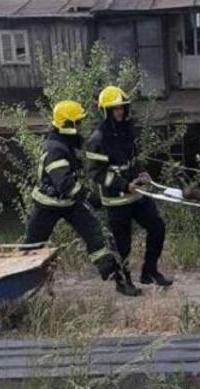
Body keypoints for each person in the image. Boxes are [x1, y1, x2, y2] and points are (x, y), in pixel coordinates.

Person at [24, 100, 141, 296]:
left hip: (70, 203)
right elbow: (65, 184)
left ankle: (118, 279)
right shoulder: (55, 149)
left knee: (96, 236)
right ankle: (22, 286)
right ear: (68, 124)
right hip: (48, 205)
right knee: (32, 246)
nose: (80, 126)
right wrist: (90, 197)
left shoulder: (65, 142)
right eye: (77, 122)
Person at [86, 86, 172, 288]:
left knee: (157, 227)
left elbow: (132, 159)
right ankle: (123, 282)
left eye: (122, 107)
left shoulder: (127, 130)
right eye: (115, 109)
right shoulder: (97, 139)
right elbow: (97, 173)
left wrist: (141, 173)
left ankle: (149, 272)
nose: (120, 112)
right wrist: (124, 185)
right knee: (122, 245)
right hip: (116, 200)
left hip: (137, 196)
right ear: (106, 111)